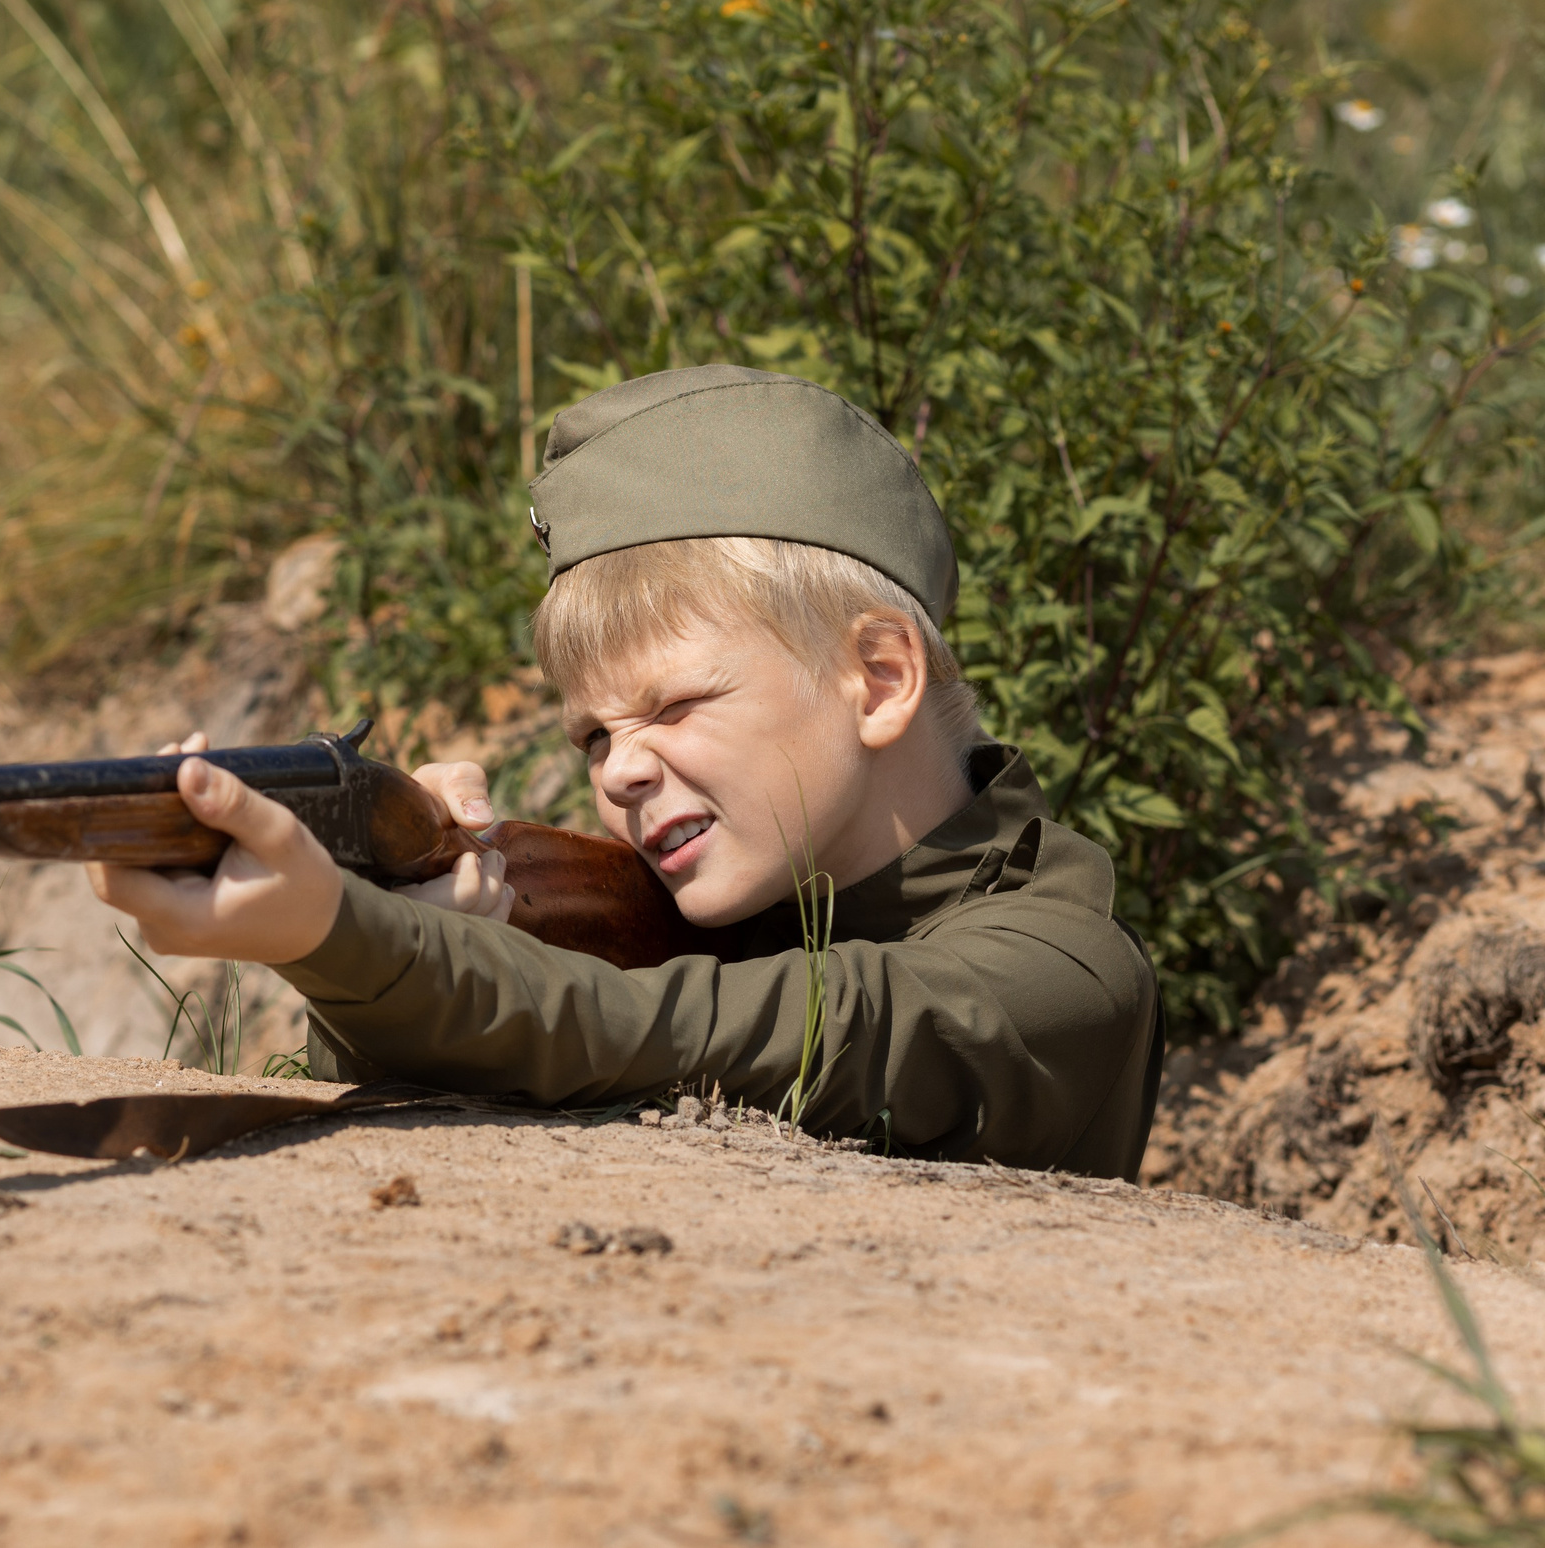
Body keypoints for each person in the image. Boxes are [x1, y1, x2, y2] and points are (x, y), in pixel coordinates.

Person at [88, 366, 1162, 1180]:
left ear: (878, 678)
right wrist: (441, 935)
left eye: (673, 706)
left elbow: (688, 1032)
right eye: (592, 738)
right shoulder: (687, 909)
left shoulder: (1061, 974)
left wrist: (344, 939)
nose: (621, 772)